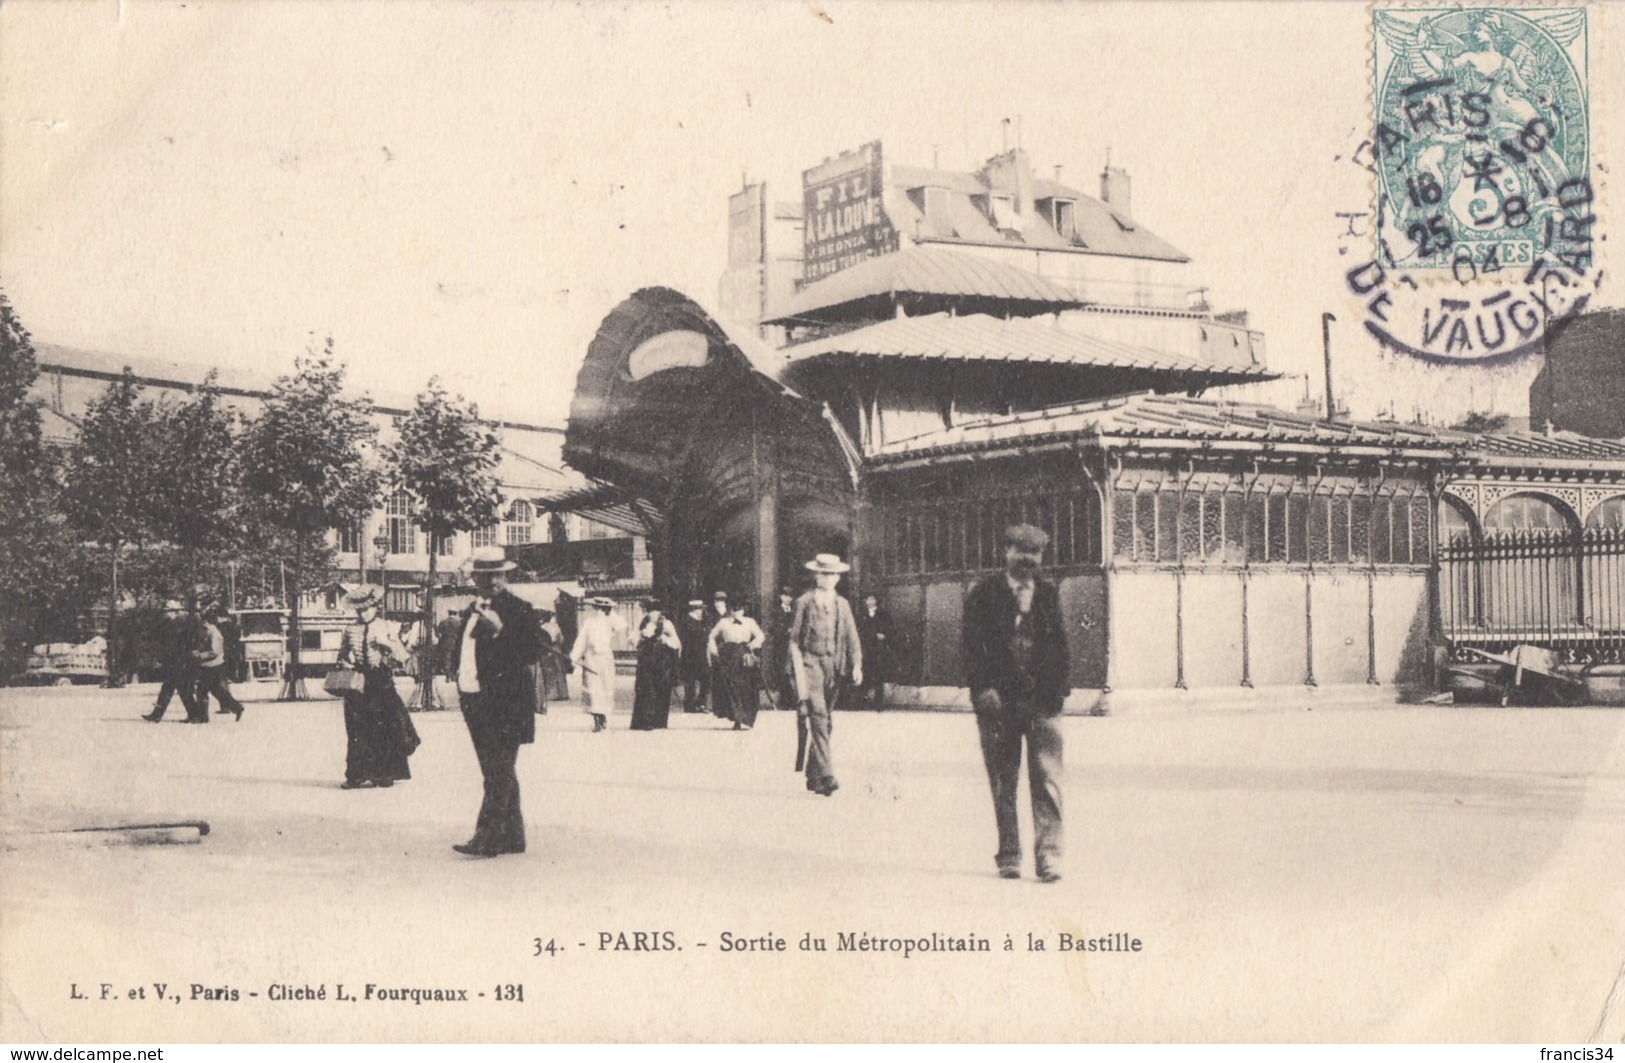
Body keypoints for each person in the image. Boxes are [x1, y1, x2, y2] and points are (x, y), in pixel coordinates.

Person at [961, 524, 1072, 883]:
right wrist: (982, 689)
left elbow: (1060, 646)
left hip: (1042, 703)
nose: (1028, 561)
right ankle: (1009, 853)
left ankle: (1050, 856)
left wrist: (1057, 693)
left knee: (1049, 781)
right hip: (999, 703)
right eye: (1020, 553)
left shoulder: (1048, 594)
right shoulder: (982, 594)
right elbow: (970, 647)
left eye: (1035, 555)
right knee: (1003, 781)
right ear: (1006, 553)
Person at [454, 546, 540, 858]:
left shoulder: (519, 608)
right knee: (499, 770)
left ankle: (487, 836)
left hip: (506, 703)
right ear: (474, 577)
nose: (491, 581)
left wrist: (501, 630)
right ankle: (513, 837)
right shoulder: (471, 608)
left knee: (497, 771)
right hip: (474, 699)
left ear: (505, 575)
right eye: (484, 575)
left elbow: (533, 651)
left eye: (497, 575)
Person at [788, 554, 862, 796]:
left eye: (832, 575)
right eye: (823, 574)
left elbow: (852, 637)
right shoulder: (804, 602)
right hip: (811, 663)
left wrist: (856, 665)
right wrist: (798, 672)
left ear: (838, 577)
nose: (827, 579)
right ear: (816, 575)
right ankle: (828, 774)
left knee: (826, 720)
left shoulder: (842, 604)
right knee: (818, 714)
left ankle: (813, 775)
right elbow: (794, 641)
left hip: (834, 666)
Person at [335, 585, 419, 789]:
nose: (363, 613)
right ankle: (356, 775)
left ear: (375, 607)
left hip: (380, 681)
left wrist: (388, 645)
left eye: (367, 609)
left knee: (383, 726)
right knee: (356, 728)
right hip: (359, 682)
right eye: (359, 610)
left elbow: (403, 656)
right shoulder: (350, 629)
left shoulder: (386, 627)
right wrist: (345, 661)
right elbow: (342, 654)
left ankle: (383, 774)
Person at [708, 598, 766, 730]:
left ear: (743, 611)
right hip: (727, 656)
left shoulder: (750, 622)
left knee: (745, 686)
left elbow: (761, 636)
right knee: (730, 686)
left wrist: (752, 645)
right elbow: (711, 635)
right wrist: (714, 649)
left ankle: (744, 717)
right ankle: (736, 718)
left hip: (743, 656)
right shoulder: (723, 622)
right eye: (734, 610)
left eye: (739, 610)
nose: (736, 613)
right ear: (730, 611)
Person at [143, 600, 202, 723]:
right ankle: (193, 714)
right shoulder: (172, 623)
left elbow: (176, 645)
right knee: (174, 689)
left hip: (179, 662)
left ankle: (194, 714)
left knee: (175, 688)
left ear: (175, 611)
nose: (166, 613)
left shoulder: (179, 625)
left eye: (168, 611)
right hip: (175, 662)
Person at [630, 598, 681, 731]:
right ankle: (645, 721)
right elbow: (632, 639)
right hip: (646, 660)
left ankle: (659, 720)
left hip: (662, 661)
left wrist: (665, 639)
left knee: (662, 688)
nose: (652, 614)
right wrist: (641, 635)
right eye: (650, 611)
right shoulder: (642, 623)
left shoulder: (666, 624)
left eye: (654, 611)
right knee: (646, 689)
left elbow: (676, 643)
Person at [572, 597, 619, 733]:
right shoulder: (589, 623)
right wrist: (575, 655)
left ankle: (603, 718)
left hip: (605, 658)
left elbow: (622, 626)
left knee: (606, 686)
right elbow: (582, 639)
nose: (599, 611)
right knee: (593, 688)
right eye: (597, 608)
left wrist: (611, 612)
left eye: (602, 608)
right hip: (592, 657)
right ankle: (597, 720)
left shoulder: (611, 621)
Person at [193, 607, 246, 722]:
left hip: (213, 666)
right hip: (207, 665)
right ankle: (236, 707)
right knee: (213, 691)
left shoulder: (214, 633)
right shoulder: (206, 631)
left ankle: (204, 717)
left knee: (205, 691)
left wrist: (199, 655)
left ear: (206, 621)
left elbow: (215, 651)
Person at [856, 592, 897, 709]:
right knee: (864, 675)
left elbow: (891, 630)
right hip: (866, 649)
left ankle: (878, 704)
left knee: (878, 676)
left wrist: (884, 635)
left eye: (871, 599)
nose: (869, 602)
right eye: (867, 599)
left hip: (879, 650)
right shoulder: (861, 615)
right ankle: (861, 703)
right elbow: (859, 631)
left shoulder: (884, 615)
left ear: (876, 601)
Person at [762, 586, 797, 710]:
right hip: (780, 645)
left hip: (792, 645)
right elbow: (772, 629)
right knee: (782, 672)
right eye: (785, 595)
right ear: (781, 597)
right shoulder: (776, 611)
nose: (788, 598)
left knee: (792, 672)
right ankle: (785, 701)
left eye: (790, 596)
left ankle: (792, 701)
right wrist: (785, 631)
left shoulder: (794, 611)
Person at [677, 599, 711, 713]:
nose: (702, 612)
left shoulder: (702, 621)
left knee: (705, 679)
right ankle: (690, 705)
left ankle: (700, 703)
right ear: (695, 610)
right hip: (689, 656)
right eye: (700, 609)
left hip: (701, 655)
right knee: (690, 681)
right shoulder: (686, 621)